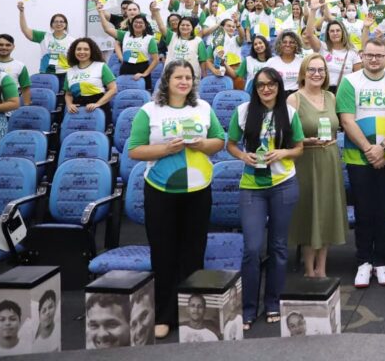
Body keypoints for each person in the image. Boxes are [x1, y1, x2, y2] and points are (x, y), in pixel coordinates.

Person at [127, 61, 225, 339]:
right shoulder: (150, 111)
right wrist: (165, 148)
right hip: (161, 190)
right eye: (178, 77)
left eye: (189, 77)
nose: (184, 81)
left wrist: (201, 145)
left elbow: (218, 140)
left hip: (198, 189)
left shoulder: (203, 108)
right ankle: (165, 314)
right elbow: (134, 150)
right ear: (167, 80)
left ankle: (192, 312)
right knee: (164, 253)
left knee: (194, 252)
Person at [226, 68, 304, 327]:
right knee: (251, 248)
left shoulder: (289, 113)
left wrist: (283, 153)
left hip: (283, 183)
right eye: (261, 85)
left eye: (271, 84)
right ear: (255, 88)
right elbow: (231, 144)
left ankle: (272, 302)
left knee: (279, 248)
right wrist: (242, 156)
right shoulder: (243, 112)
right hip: (252, 185)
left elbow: (299, 148)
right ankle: (249, 307)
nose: (266, 89)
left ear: (279, 86)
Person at [337, 37, 385, 288]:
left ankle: (381, 261)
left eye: (379, 55)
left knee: (383, 211)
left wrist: (383, 149)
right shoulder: (349, 82)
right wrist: (370, 149)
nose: (374, 59)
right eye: (369, 55)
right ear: (362, 54)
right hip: (358, 156)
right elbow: (347, 121)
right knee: (363, 211)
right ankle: (363, 261)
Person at [288, 54, 347, 278]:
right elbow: (285, 137)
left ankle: (321, 268)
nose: (316, 74)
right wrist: (304, 141)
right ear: (303, 73)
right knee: (308, 212)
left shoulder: (331, 97)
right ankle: (307, 269)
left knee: (325, 213)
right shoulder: (294, 100)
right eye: (312, 70)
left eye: (321, 70)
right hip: (305, 160)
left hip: (329, 159)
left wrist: (333, 138)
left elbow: (335, 127)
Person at [99, 10, 159, 92]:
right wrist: (101, 13)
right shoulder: (125, 35)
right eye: (136, 22)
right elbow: (107, 29)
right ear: (132, 24)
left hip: (141, 69)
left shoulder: (149, 39)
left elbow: (155, 60)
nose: (138, 24)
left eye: (141, 23)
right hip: (125, 68)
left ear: (145, 25)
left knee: (141, 95)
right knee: (123, 93)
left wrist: (145, 73)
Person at [63, 36, 118, 124]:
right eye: (79, 49)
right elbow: (68, 94)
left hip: (98, 110)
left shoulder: (101, 66)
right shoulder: (70, 71)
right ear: (74, 51)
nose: (82, 52)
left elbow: (113, 89)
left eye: (86, 49)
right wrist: (69, 105)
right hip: (77, 113)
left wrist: (98, 104)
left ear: (91, 51)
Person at [17, 1, 72, 87]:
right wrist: (21, 12)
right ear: (51, 25)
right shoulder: (44, 36)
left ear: (65, 25)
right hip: (46, 73)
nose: (59, 24)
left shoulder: (72, 40)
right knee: (46, 98)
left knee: (61, 99)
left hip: (65, 74)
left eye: (62, 22)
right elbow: (25, 30)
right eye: (56, 21)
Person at [305, 19, 361, 93]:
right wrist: (313, 10)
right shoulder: (322, 47)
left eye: (338, 30)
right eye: (332, 31)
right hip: (325, 91)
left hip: (345, 92)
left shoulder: (352, 50)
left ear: (343, 32)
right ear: (328, 33)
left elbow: (357, 76)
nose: (335, 33)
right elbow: (309, 35)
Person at [0, 34, 31, 105]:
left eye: (8, 45)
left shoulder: (20, 66)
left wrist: (27, 106)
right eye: (0, 45)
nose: (4, 47)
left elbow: (25, 89)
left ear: (13, 47)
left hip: (11, 109)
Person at [33, 288, 58, 352]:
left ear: (55, 306)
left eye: (50, 307)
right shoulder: (36, 344)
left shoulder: (58, 327)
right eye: (44, 311)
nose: (47, 312)